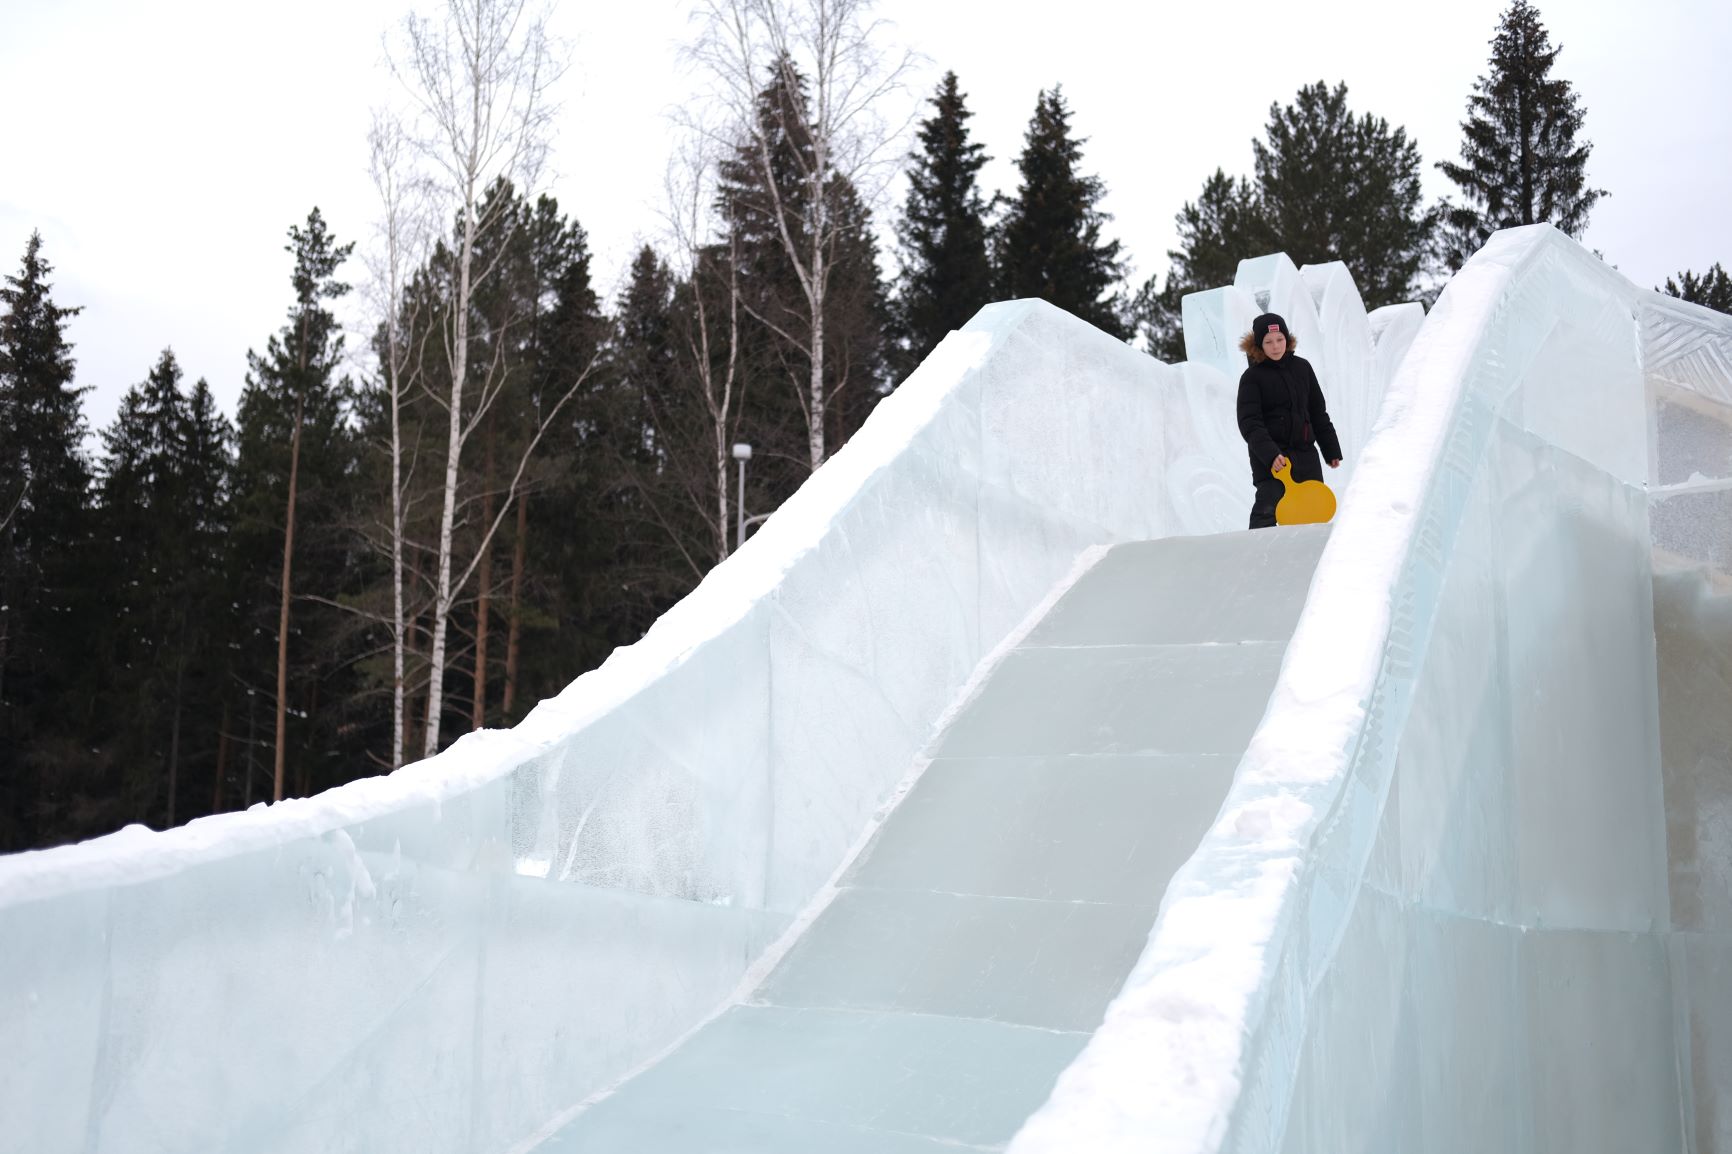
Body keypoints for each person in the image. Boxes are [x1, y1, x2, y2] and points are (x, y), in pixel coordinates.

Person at [1235, 313, 1343, 529]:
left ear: (1287, 339)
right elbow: (1250, 423)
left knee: (1311, 512)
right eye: (1268, 342)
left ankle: (1309, 559)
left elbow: (1317, 412)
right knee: (1269, 507)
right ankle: (1258, 554)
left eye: (1280, 339)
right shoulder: (1252, 378)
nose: (1275, 346)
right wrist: (1271, 454)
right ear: (1259, 345)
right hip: (1274, 462)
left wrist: (1331, 450)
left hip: (1306, 456)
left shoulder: (1302, 368)